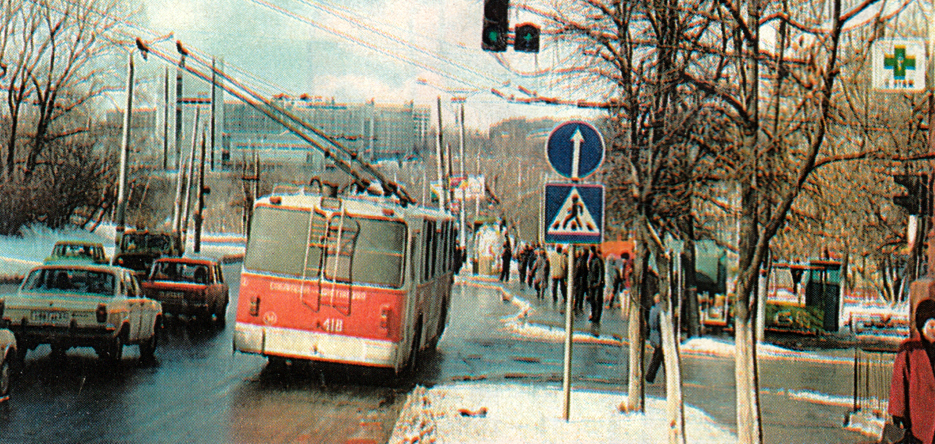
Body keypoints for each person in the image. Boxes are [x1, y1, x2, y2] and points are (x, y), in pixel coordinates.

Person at [888, 298, 935, 444]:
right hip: (919, 419)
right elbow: (899, 382)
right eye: (932, 326)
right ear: (922, 326)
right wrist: (897, 413)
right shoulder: (910, 349)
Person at [646, 293, 664, 383]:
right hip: (659, 337)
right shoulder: (661, 310)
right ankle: (650, 376)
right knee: (658, 357)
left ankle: (650, 376)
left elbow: (651, 324)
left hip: (654, 336)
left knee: (657, 356)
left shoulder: (653, 310)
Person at [587, 246, 605, 323]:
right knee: (592, 301)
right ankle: (593, 314)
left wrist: (599, 283)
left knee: (597, 300)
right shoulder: (590, 261)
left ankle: (597, 317)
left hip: (597, 284)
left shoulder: (598, 261)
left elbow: (601, 273)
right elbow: (589, 272)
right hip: (591, 283)